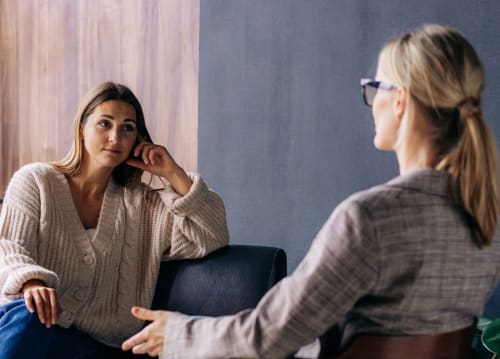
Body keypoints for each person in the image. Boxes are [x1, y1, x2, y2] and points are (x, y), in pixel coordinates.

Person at [121, 24, 500, 358]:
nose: (371, 102)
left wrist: (178, 334)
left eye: (374, 87)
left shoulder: (371, 218)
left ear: (399, 100)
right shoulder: (486, 219)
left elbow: (268, 336)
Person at [0, 82, 229, 358]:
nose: (115, 137)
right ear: (82, 128)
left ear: (138, 141)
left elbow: (212, 235)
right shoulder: (36, 181)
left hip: (96, 347)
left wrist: (172, 173)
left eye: (127, 128)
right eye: (104, 124)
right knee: (28, 317)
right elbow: (9, 246)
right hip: (31, 328)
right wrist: (31, 282)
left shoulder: (144, 206)